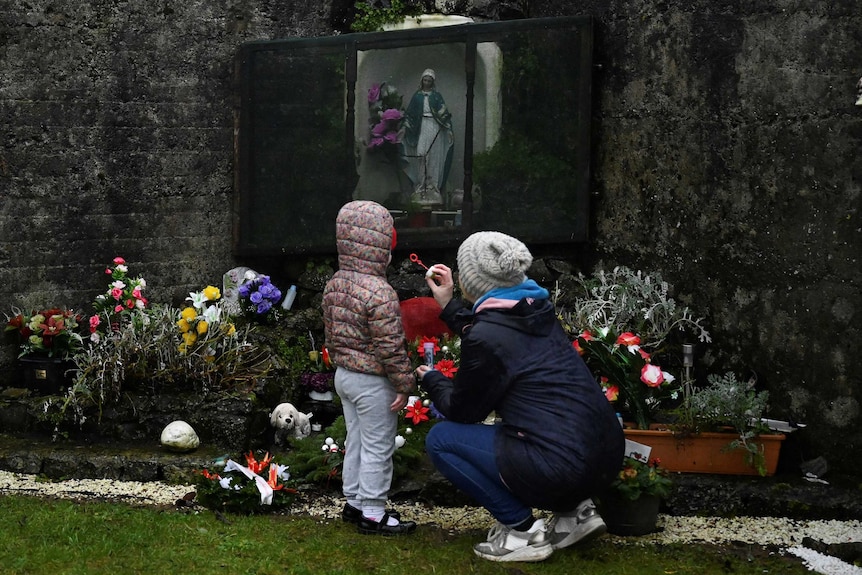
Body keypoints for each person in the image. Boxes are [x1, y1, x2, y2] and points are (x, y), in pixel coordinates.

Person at [415, 231, 625, 562]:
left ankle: (522, 532)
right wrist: (449, 304)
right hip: (606, 456)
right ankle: (575, 515)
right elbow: (492, 333)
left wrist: (434, 379)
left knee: (442, 439)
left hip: (561, 467)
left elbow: (462, 411)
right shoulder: (537, 309)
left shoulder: (488, 337)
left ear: (472, 281)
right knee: (544, 430)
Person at [322, 200, 417, 536]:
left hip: (344, 376)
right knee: (379, 445)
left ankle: (355, 501)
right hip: (373, 381)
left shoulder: (336, 282)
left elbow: (331, 334)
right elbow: (390, 347)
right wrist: (405, 383)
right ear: (381, 245)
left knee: (357, 440)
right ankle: (374, 512)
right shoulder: (380, 292)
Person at [402, 68, 454, 205]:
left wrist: (448, 130)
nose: (427, 82)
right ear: (422, 81)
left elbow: (444, 114)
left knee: (433, 157)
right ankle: (421, 184)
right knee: (421, 154)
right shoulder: (417, 96)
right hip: (421, 126)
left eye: (429, 81)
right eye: (425, 80)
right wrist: (403, 128)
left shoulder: (436, 96)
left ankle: (432, 186)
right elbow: (410, 115)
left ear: (432, 82)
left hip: (434, 125)